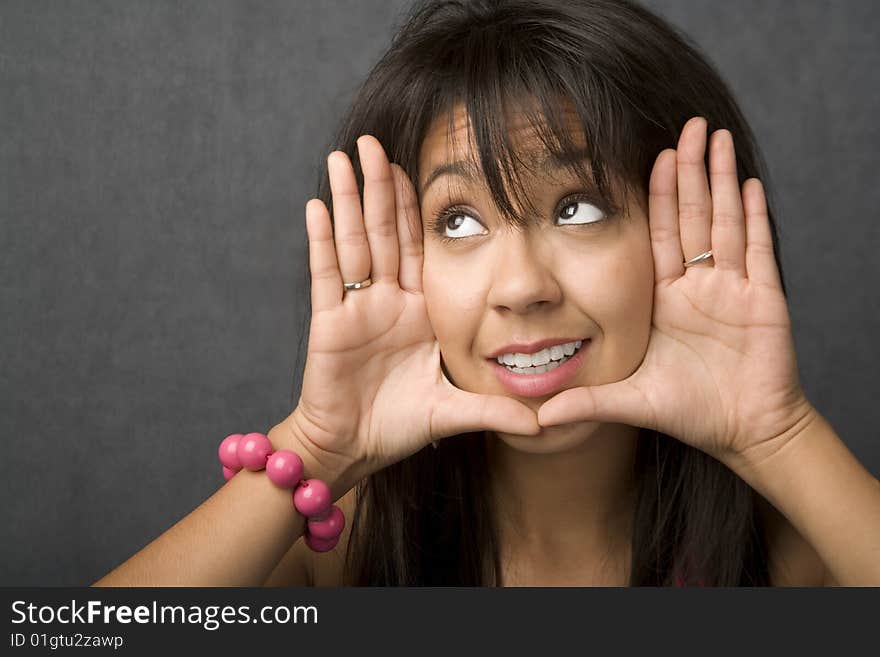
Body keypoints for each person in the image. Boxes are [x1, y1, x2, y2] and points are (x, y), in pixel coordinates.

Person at [93, 0, 880, 587]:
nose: (522, 288)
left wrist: (776, 437)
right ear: (405, 256)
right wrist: (319, 446)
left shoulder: (801, 551)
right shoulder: (330, 551)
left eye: (580, 207)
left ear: (686, 230)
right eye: (460, 220)